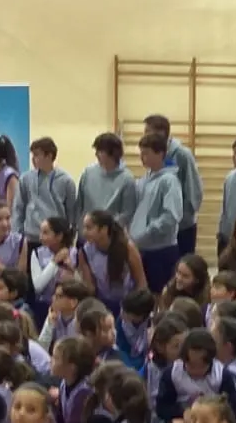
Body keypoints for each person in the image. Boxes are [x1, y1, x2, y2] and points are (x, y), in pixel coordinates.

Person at [131, 132, 185, 294]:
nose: (142, 157)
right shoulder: (143, 180)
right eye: (141, 153)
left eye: (146, 153)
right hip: (142, 247)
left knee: (160, 295)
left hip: (161, 250)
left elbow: (170, 218)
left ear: (160, 154)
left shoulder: (169, 181)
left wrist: (146, 233)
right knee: (143, 294)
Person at [143, 114, 203, 259]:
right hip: (161, 229)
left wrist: (182, 218)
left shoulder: (182, 155)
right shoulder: (154, 154)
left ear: (161, 133)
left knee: (184, 271)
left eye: (147, 132)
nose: (144, 136)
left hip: (182, 227)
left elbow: (194, 189)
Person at [18, 136, 80, 242]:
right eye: (32, 155)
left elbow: (71, 213)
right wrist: (17, 234)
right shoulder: (25, 178)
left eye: (37, 155)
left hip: (55, 238)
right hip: (31, 236)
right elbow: (19, 208)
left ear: (49, 156)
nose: (33, 159)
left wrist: (70, 237)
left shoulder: (66, 181)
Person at [78, 132, 138, 230]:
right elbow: (79, 205)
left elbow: (127, 213)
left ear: (113, 153)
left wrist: (105, 230)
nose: (96, 154)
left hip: (110, 237)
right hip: (86, 235)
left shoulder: (127, 179)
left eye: (100, 151)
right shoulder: (88, 173)